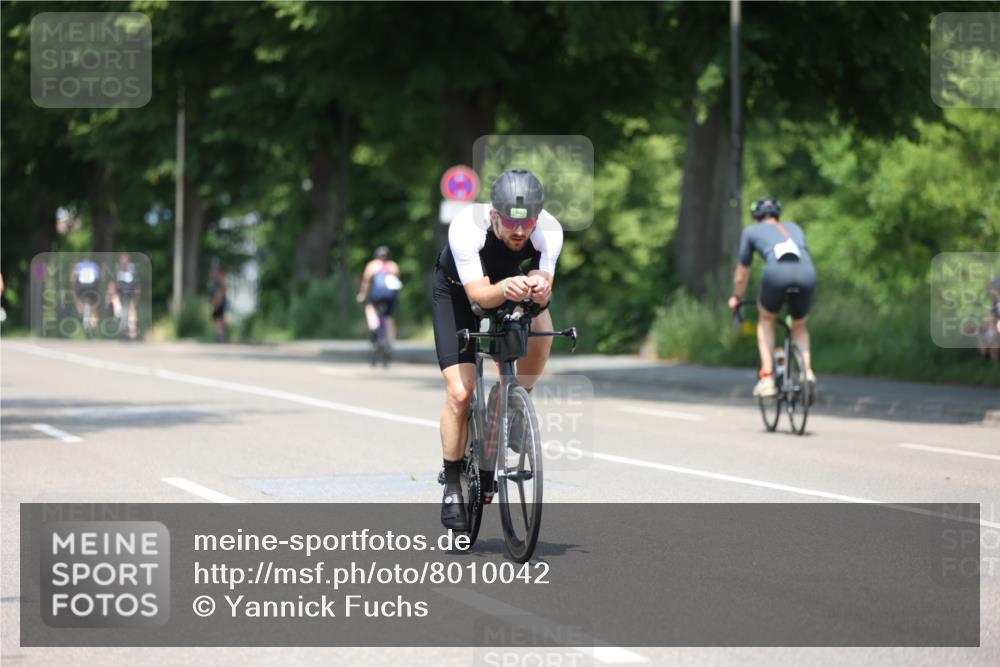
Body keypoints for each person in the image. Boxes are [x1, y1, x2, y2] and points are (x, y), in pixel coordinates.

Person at [432, 168, 563, 530]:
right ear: (494, 215)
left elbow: (544, 281)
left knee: (544, 329)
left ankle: (519, 401)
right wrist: (509, 286)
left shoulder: (548, 230)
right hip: (458, 292)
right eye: (510, 223)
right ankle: (454, 481)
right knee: (460, 393)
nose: (520, 232)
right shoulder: (467, 226)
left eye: (528, 223)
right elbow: (478, 296)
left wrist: (538, 287)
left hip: (510, 287)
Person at [727, 197, 817, 399]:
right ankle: (807, 372)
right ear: (778, 216)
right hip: (807, 273)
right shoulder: (794, 227)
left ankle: (767, 378)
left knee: (766, 320)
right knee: (799, 326)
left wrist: (737, 297)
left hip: (776, 275)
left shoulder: (751, 231)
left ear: (755, 217)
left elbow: (742, 275)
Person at [356, 246, 402, 346]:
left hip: (377, 294)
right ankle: (390, 342)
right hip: (391, 295)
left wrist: (363, 294)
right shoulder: (393, 265)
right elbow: (397, 282)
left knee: (370, 307)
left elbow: (366, 282)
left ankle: (374, 326)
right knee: (389, 317)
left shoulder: (372, 265)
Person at [107, 252, 139, 339]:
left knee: (116, 300)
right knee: (131, 307)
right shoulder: (132, 267)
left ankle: (120, 318)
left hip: (122, 290)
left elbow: (112, 282)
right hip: (128, 290)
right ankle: (132, 328)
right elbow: (136, 282)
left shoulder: (118, 268)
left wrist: (110, 294)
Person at [71, 258, 102, 335]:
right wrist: (99, 288)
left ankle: (81, 312)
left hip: (81, 287)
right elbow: (100, 277)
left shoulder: (79, 265)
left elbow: (73, 276)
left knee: (77, 298)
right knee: (95, 305)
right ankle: (94, 324)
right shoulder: (95, 266)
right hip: (93, 287)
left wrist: (73, 286)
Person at [209, 262, 228, 342]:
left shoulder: (219, 279)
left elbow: (221, 292)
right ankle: (220, 334)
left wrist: (217, 302)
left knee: (219, 318)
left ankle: (221, 335)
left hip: (219, 302)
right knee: (217, 318)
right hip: (217, 301)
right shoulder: (215, 279)